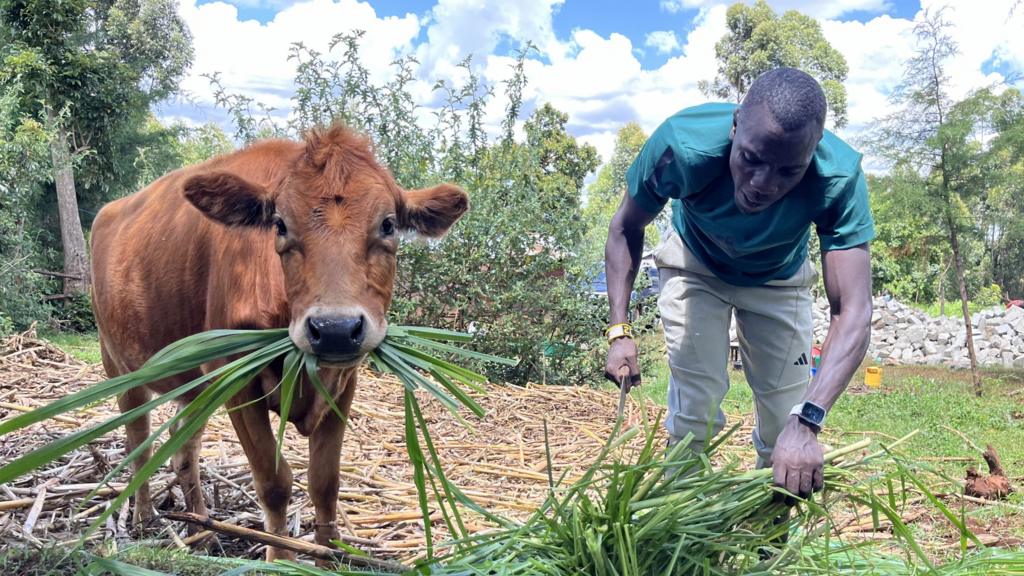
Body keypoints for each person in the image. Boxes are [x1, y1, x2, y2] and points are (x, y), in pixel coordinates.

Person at [603, 67, 873, 499]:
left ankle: (770, 542)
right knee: (696, 408)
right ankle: (680, 529)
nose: (763, 184)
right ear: (734, 126)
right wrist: (619, 331)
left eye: (789, 171)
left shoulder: (838, 178)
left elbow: (854, 312)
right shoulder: (682, 145)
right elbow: (624, 228)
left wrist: (808, 422)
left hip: (779, 279)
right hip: (695, 264)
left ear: (814, 152)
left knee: (785, 417)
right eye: (750, 159)